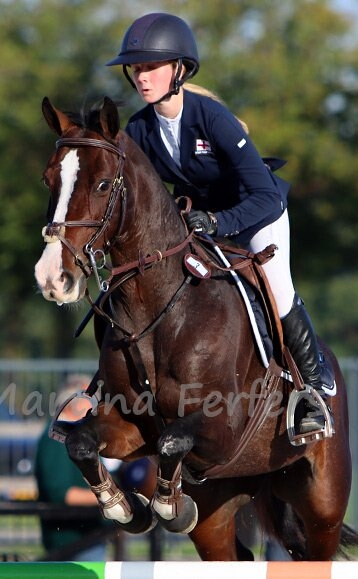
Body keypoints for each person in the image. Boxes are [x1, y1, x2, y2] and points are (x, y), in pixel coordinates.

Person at [106, 12, 328, 435]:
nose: (141, 77)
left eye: (151, 66)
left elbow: (264, 195)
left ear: (179, 70)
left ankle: (313, 392)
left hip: (255, 213)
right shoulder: (140, 129)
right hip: (201, 222)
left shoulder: (212, 118)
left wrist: (218, 221)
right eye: (135, 68)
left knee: (277, 288)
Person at [34, 377, 117, 579]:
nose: (95, 404)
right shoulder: (57, 439)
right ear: (73, 403)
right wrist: (107, 496)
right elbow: (61, 493)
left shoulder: (68, 437)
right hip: (75, 539)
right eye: (88, 398)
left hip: (79, 537)